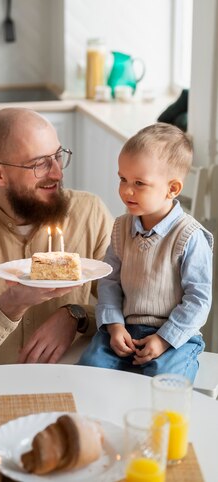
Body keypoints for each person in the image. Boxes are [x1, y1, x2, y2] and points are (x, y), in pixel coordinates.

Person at [0, 107, 113, 369]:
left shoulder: (90, 213)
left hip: (72, 381)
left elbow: (131, 311)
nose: (57, 173)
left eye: (58, 156)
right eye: (40, 164)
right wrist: (12, 304)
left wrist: (76, 315)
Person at [79, 123, 213, 381]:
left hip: (174, 335)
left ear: (172, 189)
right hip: (124, 329)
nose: (126, 190)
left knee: (164, 378)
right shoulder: (121, 227)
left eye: (139, 183)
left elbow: (198, 299)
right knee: (90, 367)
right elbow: (109, 281)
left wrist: (164, 340)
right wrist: (115, 326)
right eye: (123, 179)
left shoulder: (190, 236)